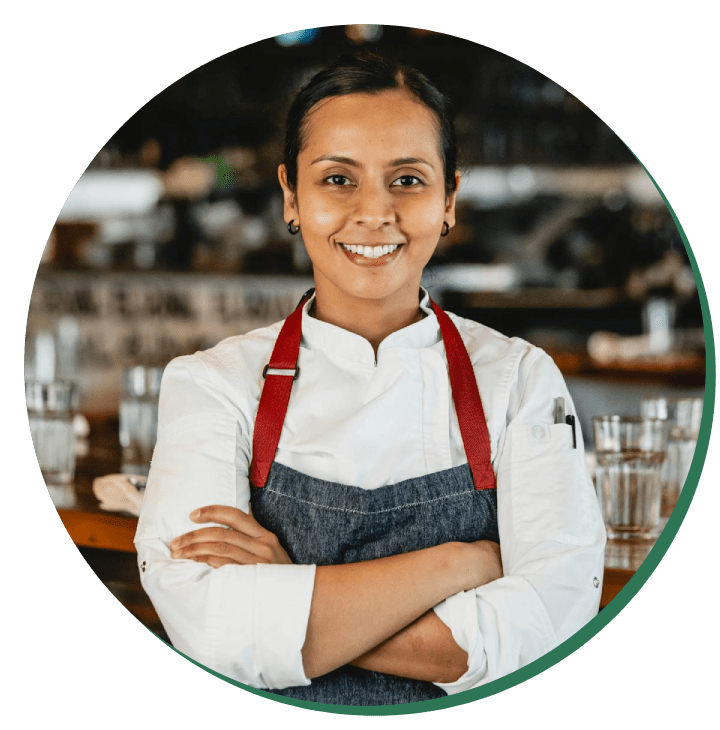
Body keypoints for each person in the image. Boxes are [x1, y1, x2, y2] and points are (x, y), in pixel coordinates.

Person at [135, 52, 606, 706]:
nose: (374, 212)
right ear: (290, 198)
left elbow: (551, 627)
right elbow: (211, 632)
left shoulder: (520, 382)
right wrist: (461, 564)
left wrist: (291, 588)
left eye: (408, 179)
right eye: (337, 179)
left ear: (449, 201)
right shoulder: (213, 384)